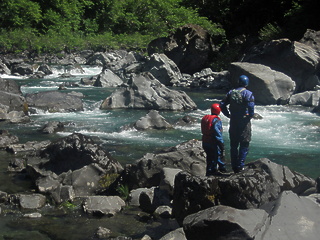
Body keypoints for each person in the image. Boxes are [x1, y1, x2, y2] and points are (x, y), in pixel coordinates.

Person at [220, 75, 255, 173]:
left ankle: (234, 166)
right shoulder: (248, 93)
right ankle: (241, 165)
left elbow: (222, 105)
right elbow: (251, 107)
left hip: (233, 121)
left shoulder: (230, 93)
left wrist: (228, 115)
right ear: (247, 83)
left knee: (234, 145)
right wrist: (249, 116)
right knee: (244, 143)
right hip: (244, 122)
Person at [201, 103, 226, 176]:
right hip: (212, 142)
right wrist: (221, 145)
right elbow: (217, 133)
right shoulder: (216, 120)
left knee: (209, 158)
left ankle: (208, 172)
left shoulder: (205, 117)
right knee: (216, 157)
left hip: (205, 141)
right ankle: (215, 171)